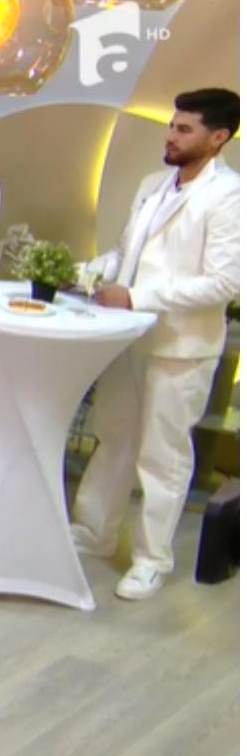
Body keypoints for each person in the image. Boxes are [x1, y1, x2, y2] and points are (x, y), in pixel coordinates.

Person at [71, 87, 240, 600]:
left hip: (180, 348)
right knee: (114, 436)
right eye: (172, 125)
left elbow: (224, 282)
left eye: (184, 129)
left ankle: (151, 560)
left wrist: (137, 296)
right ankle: (95, 531)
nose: (171, 135)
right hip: (129, 339)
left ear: (218, 137)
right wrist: (86, 272)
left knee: (162, 457)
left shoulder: (229, 196)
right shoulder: (153, 184)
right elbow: (126, 252)